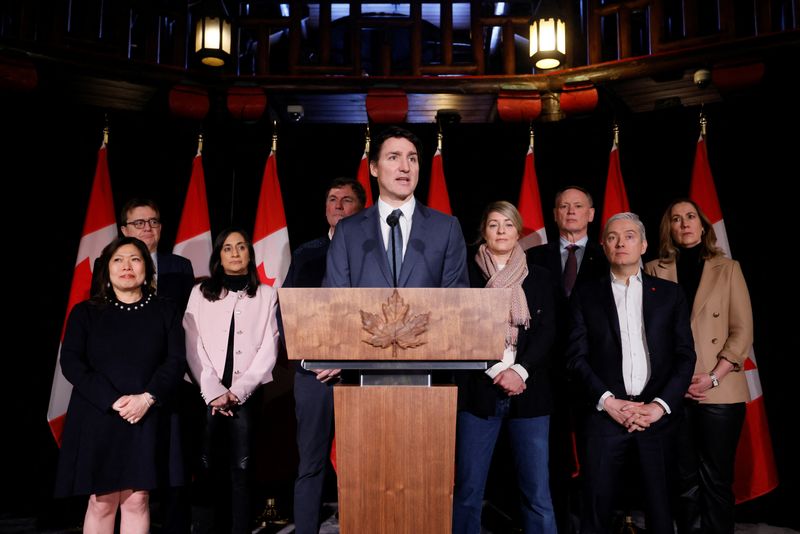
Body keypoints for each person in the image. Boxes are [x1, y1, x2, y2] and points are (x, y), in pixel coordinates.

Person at [567, 212, 696, 534]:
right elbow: (575, 357)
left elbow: (685, 356)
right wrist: (610, 403)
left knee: (661, 511)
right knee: (594, 512)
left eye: (628, 236)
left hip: (658, 419)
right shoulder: (585, 295)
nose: (620, 242)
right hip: (604, 418)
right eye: (612, 237)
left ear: (644, 245)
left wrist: (658, 407)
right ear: (604, 245)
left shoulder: (670, 294)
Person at [54, 236, 186, 534]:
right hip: (99, 416)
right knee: (101, 502)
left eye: (135, 259)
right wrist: (113, 401)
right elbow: (72, 363)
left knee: (138, 500)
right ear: (106, 269)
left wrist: (147, 398)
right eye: (118, 260)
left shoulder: (166, 310)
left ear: (147, 269)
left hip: (147, 415)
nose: (127, 266)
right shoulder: (85, 312)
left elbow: (176, 361)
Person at [645, 199, 753, 534]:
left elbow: (742, 331)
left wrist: (714, 378)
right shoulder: (652, 269)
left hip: (720, 390)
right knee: (683, 480)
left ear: (703, 225)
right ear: (669, 229)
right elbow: (647, 333)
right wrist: (674, 382)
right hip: (673, 391)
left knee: (717, 480)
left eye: (691, 216)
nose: (684, 223)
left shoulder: (728, 268)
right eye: (676, 219)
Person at [453, 201, 557, 534]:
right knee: (468, 490)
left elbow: (548, 331)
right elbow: (459, 328)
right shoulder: (464, 274)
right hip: (479, 391)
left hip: (530, 393)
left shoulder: (540, 277)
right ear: (483, 230)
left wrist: (520, 371)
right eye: (494, 224)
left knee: (537, 492)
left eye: (508, 225)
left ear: (519, 231)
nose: (501, 231)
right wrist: (496, 368)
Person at [182, 227, 280, 534]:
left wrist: (238, 392)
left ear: (250, 254)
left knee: (242, 467)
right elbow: (191, 342)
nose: (235, 253)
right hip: (204, 393)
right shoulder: (199, 292)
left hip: (244, 396)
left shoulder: (266, 294)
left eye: (240, 247)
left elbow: (269, 346)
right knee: (205, 465)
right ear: (218, 256)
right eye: (227, 248)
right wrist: (212, 391)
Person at [285, 177, 366, 534]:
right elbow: (287, 312)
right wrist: (317, 359)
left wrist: (345, 360)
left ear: (362, 208)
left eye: (346, 200)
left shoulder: (374, 253)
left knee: (361, 463)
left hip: (360, 374)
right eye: (332, 199)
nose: (337, 205)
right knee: (311, 463)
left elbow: (379, 315)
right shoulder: (307, 253)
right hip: (312, 374)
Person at [528, 186, 608, 533]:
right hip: (547, 374)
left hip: (597, 373)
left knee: (598, 458)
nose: (571, 211)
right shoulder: (534, 258)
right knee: (553, 459)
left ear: (592, 214)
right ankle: (558, 524)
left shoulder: (610, 256)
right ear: (555, 213)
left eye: (578, 206)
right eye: (564, 206)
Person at [323, 126, 468, 291]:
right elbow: (334, 302)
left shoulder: (446, 228)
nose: (405, 167)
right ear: (374, 168)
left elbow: (457, 303)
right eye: (394, 157)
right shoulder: (347, 231)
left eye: (412, 159)